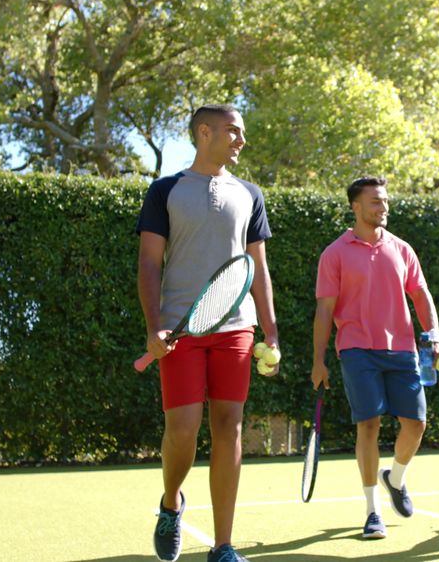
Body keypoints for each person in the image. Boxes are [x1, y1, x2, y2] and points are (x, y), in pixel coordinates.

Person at [136, 103, 279, 562]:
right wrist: (154, 325)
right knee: (182, 430)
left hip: (236, 329)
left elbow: (258, 269)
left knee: (228, 427)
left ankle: (223, 545)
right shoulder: (165, 191)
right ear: (204, 132)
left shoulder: (250, 193)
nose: (241, 140)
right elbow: (148, 263)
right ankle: (171, 502)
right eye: (233, 131)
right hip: (180, 329)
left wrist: (270, 331)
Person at [311, 176, 439, 539]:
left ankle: (396, 479)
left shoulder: (402, 249)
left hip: (403, 350)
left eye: (385, 201)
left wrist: (433, 335)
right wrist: (318, 360)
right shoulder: (335, 253)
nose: (382, 207)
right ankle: (373, 512)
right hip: (356, 349)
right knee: (368, 424)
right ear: (356, 207)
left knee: (416, 424)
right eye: (375, 202)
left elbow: (421, 294)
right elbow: (324, 310)